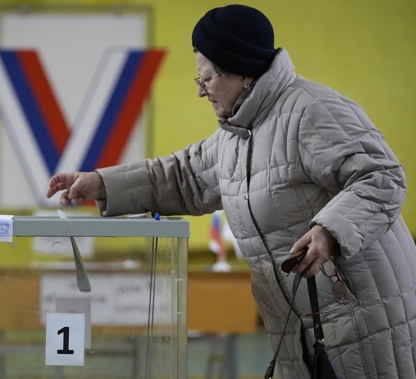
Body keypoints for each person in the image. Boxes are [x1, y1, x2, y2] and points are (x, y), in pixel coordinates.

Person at [47, 4, 416, 378]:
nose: (201, 92)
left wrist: (329, 232)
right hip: (298, 333)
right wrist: (101, 183)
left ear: (240, 72)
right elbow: (183, 176)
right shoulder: (238, 134)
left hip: (364, 322)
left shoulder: (312, 111)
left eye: (205, 80)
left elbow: (383, 178)